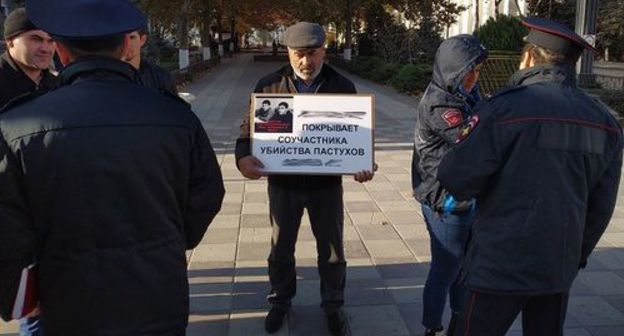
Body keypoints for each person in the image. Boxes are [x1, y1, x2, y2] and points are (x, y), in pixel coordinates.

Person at [0, 0, 225, 335]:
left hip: (64, 299)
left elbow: (8, 229)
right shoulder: (175, 116)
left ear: (61, 51)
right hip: (157, 292)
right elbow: (208, 194)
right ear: (124, 47)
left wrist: (18, 298)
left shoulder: (17, 124)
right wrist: (171, 241)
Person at [437, 17, 622, 336]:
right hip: (556, 265)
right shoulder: (604, 122)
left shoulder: (502, 110)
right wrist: (575, 253)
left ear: (529, 57)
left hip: (497, 263)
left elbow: (456, 178)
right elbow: (600, 206)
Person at [235, 22, 375, 336]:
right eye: (299, 54)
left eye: (312, 53)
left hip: (326, 186)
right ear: (288, 52)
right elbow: (247, 133)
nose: (305, 62)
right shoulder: (270, 86)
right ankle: (280, 301)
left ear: (324, 50)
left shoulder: (342, 87)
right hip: (283, 186)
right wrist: (243, 158)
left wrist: (362, 164)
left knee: (332, 251)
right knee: (281, 248)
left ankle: (334, 305)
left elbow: (356, 138)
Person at [411, 34, 487, 336]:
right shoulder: (441, 104)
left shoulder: (462, 94)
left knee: (462, 268)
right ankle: (432, 326)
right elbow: (471, 141)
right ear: (453, 71)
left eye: (477, 69)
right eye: (469, 70)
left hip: (464, 194)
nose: (474, 76)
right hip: (447, 199)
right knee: (446, 269)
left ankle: (459, 319)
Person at [0, 7, 57, 109]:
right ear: (10, 42)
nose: (46, 49)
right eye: (36, 39)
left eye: (51, 41)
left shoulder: (58, 85)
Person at [122, 27, 178, 96]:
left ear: (142, 40)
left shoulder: (161, 78)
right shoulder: (106, 78)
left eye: (132, 37)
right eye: (121, 38)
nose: (127, 44)